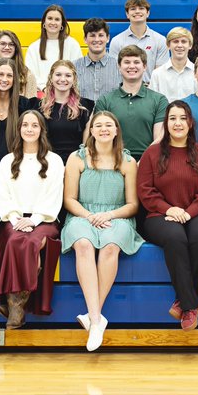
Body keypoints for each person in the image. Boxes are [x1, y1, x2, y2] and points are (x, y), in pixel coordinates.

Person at [62, 111, 142, 351]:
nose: (104, 129)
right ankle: (97, 320)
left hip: (115, 216)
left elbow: (132, 205)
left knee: (109, 247)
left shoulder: (128, 162)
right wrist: (89, 216)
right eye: (99, 125)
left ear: (117, 130)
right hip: (81, 214)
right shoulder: (76, 159)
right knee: (84, 245)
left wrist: (108, 215)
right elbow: (69, 199)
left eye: (109, 125)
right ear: (91, 131)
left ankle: (93, 317)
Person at [137, 101, 198, 332]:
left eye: (183, 118)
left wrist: (188, 212)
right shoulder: (152, 153)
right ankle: (191, 305)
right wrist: (169, 209)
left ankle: (183, 301)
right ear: (166, 123)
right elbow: (145, 190)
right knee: (175, 238)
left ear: (190, 122)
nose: (178, 123)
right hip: (158, 215)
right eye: (173, 118)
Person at [0, 111, 64, 329]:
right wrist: (16, 219)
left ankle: (15, 306)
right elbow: (3, 194)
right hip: (12, 217)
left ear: (42, 130)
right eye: (25, 125)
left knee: (31, 242)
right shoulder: (7, 161)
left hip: (44, 218)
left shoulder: (54, 160)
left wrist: (34, 219)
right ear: (19, 129)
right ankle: (17, 306)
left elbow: (53, 195)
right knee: (15, 240)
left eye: (35, 125)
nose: (29, 129)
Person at [95, 45, 168, 159]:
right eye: (127, 62)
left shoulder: (159, 100)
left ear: (144, 66)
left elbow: (159, 139)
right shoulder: (105, 100)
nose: (132, 66)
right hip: (113, 161)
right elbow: (99, 136)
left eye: (136, 62)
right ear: (119, 66)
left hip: (147, 161)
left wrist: (142, 163)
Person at [40, 60, 94, 161]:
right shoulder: (39, 107)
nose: (63, 79)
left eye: (68, 75)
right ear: (51, 78)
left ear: (74, 79)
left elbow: (86, 146)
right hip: (47, 163)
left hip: (75, 163)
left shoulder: (86, 107)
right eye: (58, 75)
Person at [109, 0, 167, 80]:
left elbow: (160, 74)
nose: (137, 11)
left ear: (148, 13)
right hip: (124, 90)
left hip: (150, 90)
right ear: (127, 14)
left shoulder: (160, 40)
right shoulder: (116, 41)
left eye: (141, 8)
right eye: (133, 9)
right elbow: (114, 73)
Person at [24, 4, 82, 88]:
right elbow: (30, 75)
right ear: (44, 22)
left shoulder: (73, 45)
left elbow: (77, 72)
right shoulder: (34, 47)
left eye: (57, 19)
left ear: (62, 24)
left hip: (67, 92)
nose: (53, 22)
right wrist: (45, 89)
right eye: (50, 18)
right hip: (41, 94)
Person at [74, 18, 121, 102]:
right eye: (92, 35)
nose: (96, 39)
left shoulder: (120, 66)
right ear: (85, 39)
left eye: (101, 35)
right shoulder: (74, 67)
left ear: (108, 38)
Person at [150, 27, 197, 102]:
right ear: (168, 45)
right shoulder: (157, 74)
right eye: (175, 41)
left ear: (190, 45)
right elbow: (153, 103)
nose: (180, 45)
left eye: (184, 41)